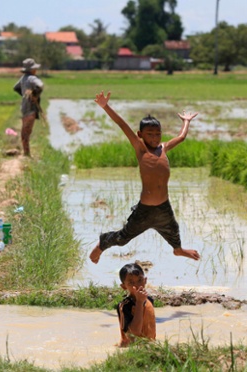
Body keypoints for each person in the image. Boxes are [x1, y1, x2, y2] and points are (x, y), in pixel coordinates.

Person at [89, 91, 201, 264]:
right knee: (123, 237)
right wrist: (106, 106)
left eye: (158, 134)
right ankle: (102, 243)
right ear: (140, 135)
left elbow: (181, 137)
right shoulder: (140, 148)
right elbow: (121, 124)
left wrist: (186, 121)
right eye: (150, 134)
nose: (155, 138)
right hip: (144, 209)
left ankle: (178, 250)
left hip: (163, 207)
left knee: (174, 230)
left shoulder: (163, 148)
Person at [116, 263, 156, 347]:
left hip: (148, 347)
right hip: (130, 350)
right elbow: (134, 334)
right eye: (131, 283)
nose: (137, 286)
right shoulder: (125, 306)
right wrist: (139, 303)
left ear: (145, 280)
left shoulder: (149, 300)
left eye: (140, 280)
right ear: (124, 286)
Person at [13, 58, 44, 157]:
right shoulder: (32, 78)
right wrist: (34, 95)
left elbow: (15, 88)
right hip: (30, 108)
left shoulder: (23, 78)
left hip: (24, 107)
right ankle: (27, 154)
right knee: (26, 132)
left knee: (24, 132)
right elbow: (40, 85)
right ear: (32, 69)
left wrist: (24, 95)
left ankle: (26, 153)